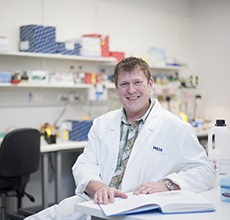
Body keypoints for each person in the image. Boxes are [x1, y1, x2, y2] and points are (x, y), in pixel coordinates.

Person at [26, 56, 216, 220]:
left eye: (137, 82)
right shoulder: (102, 124)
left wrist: (166, 184)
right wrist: (99, 187)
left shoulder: (175, 126)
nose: (131, 90)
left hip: (140, 210)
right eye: (124, 84)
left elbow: (204, 171)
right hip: (95, 203)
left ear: (150, 85)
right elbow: (84, 164)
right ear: (116, 89)